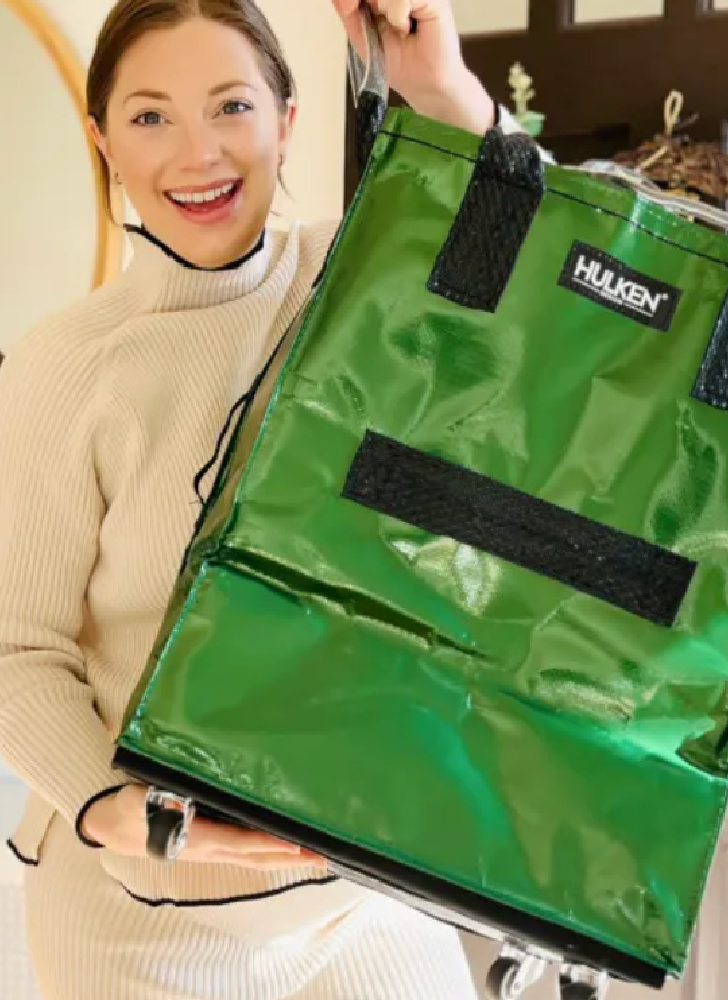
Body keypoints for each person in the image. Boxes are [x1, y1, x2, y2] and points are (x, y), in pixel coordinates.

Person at [0, 1, 535, 997]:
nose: (197, 154)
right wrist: (105, 803)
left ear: (288, 121)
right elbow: (17, 650)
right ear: (101, 138)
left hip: (363, 891)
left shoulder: (361, 276)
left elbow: (542, 273)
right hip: (143, 919)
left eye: (231, 106)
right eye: (151, 116)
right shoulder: (65, 367)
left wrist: (441, 89)